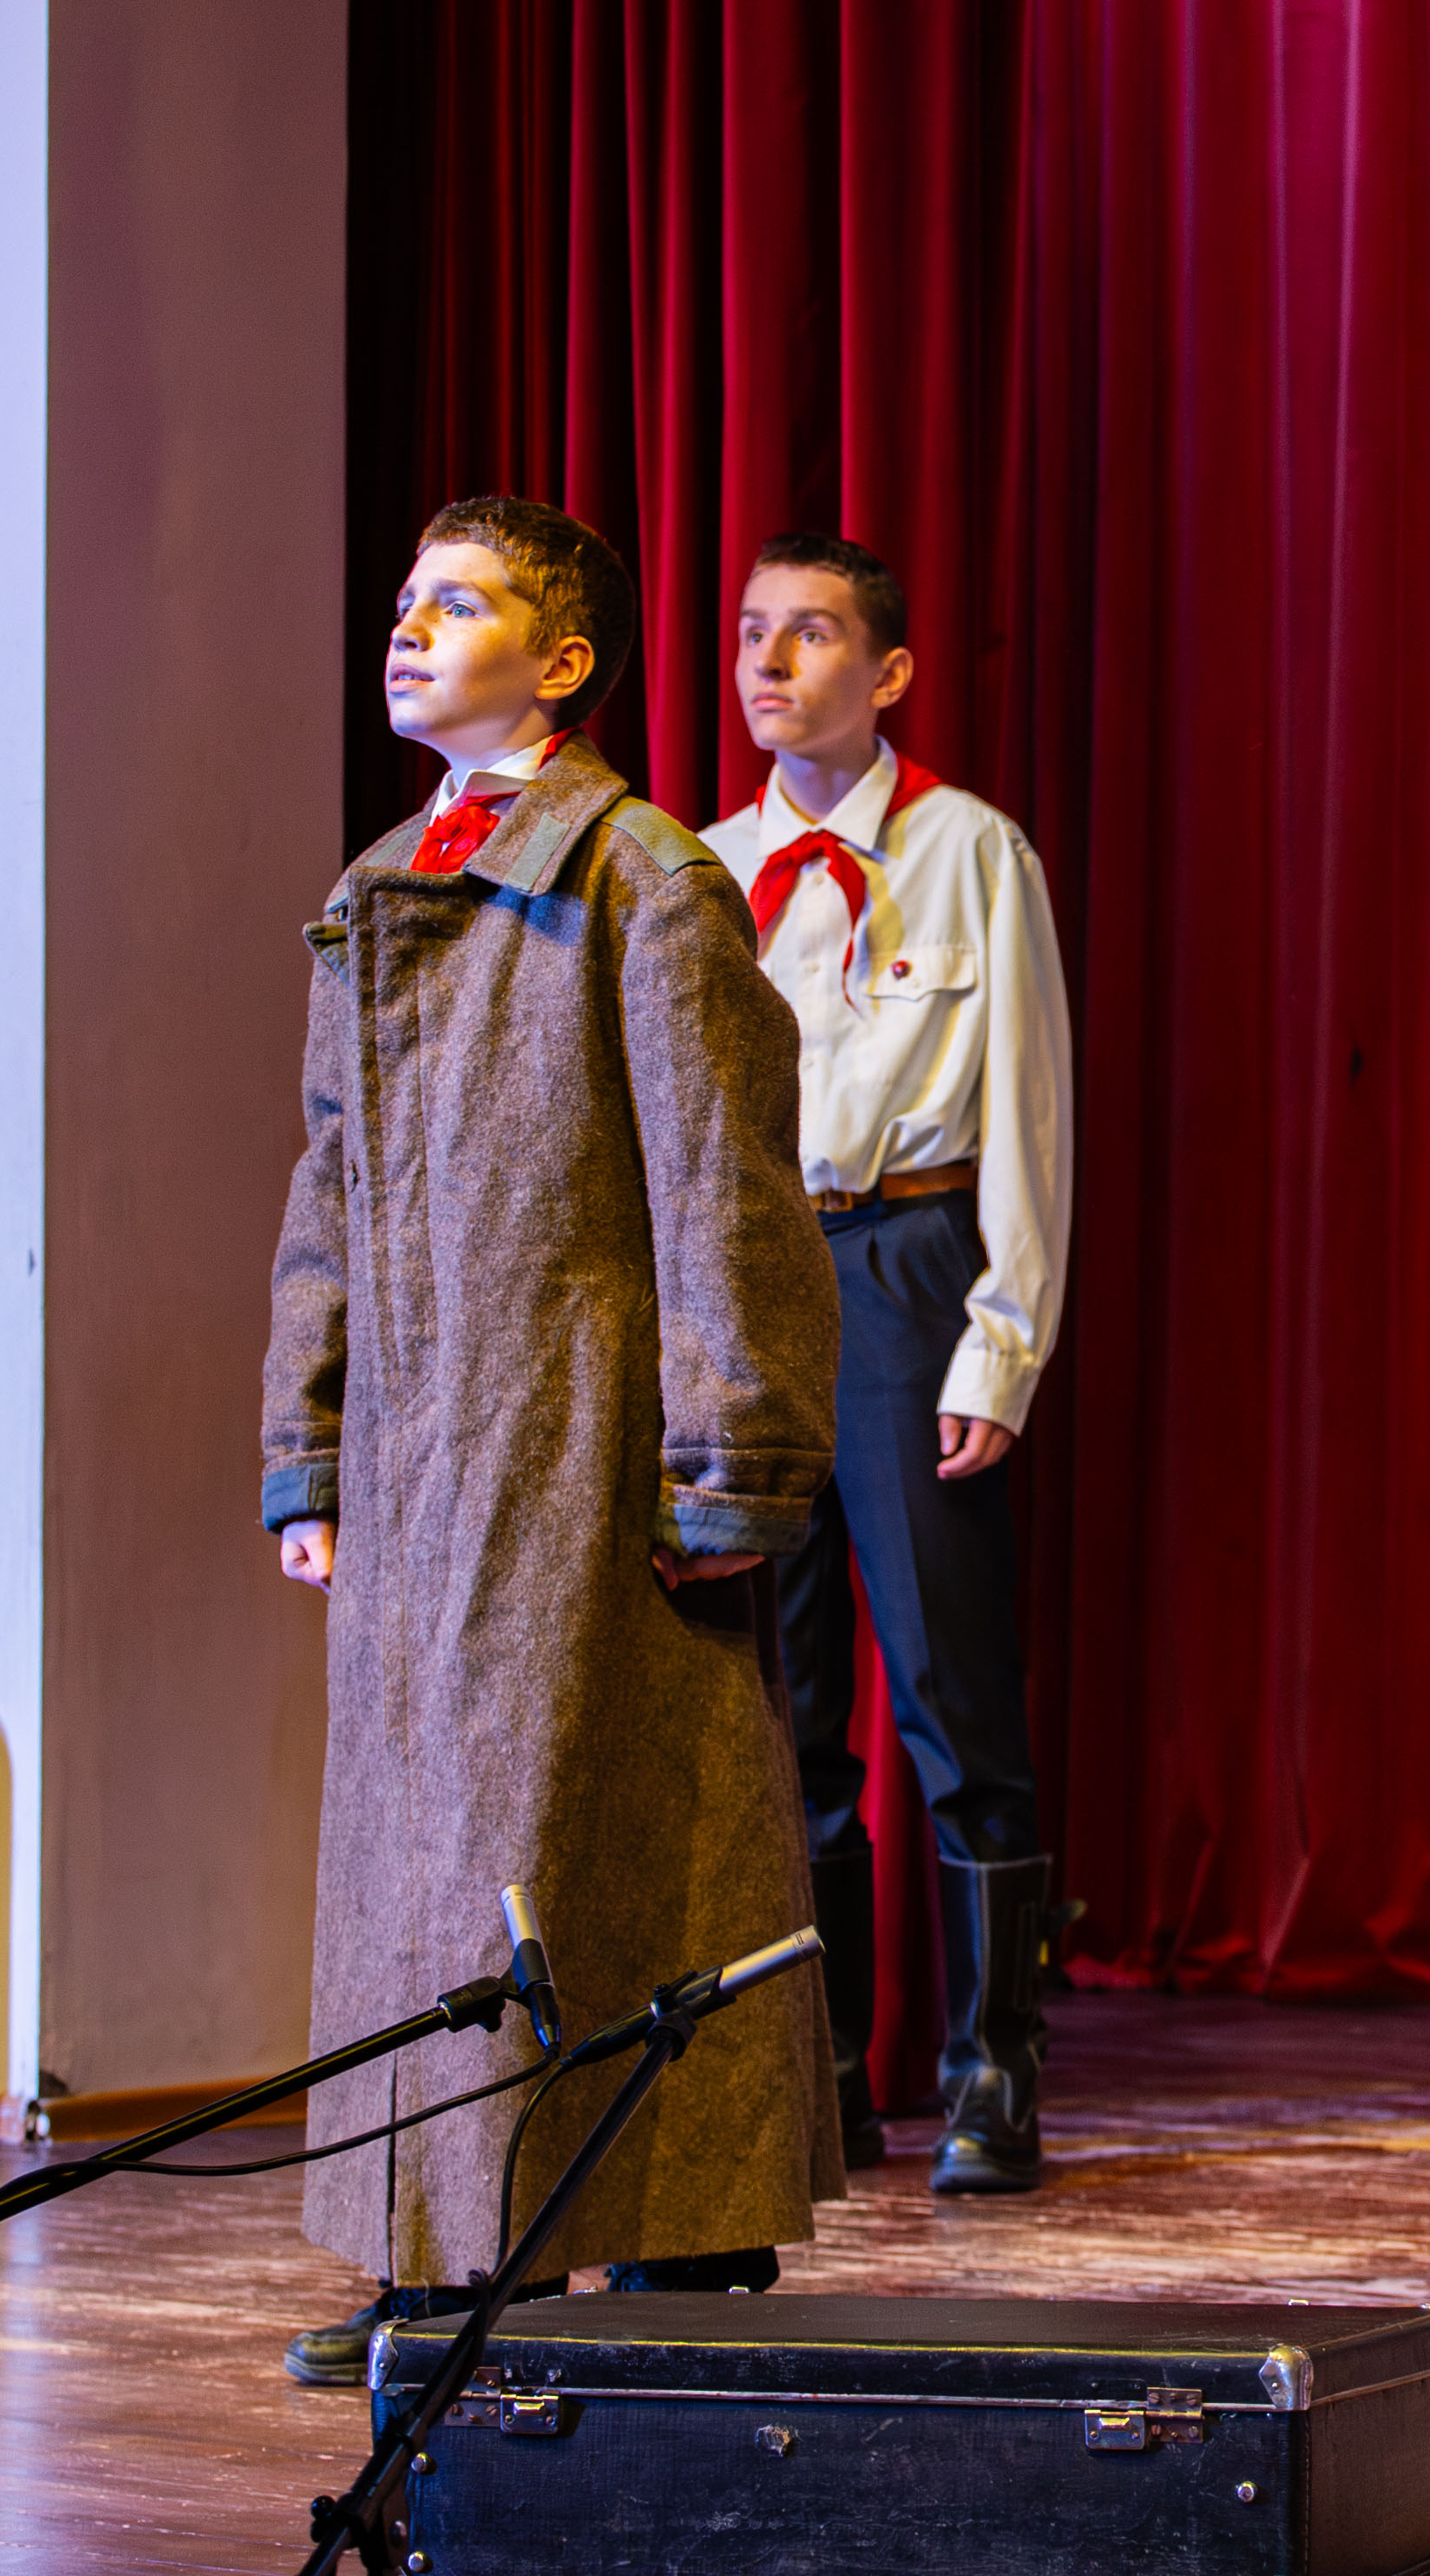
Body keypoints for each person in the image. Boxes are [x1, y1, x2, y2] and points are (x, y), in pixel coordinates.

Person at [262, 498, 844, 2385]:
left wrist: (733, 1453)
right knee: (421, 1851)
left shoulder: (640, 875)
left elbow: (725, 1182)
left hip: (583, 1433)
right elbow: (329, 1189)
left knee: (612, 1831)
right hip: (421, 1446)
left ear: (564, 659)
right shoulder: (373, 887)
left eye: (459, 604)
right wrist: (308, 1439)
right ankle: (434, 2245)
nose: (408, 627)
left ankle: (676, 2224)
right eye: (404, 601)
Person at [701, 533, 1075, 2195]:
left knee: (948, 1692)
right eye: (752, 635)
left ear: (891, 670)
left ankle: (993, 2069)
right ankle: (823, 2076)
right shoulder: (702, 870)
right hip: (754, 1281)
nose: (772, 665)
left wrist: (1003, 1342)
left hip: (910, 1265)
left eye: (811, 635)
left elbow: (1031, 1113)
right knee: (779, 1716)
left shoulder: (971, 850)